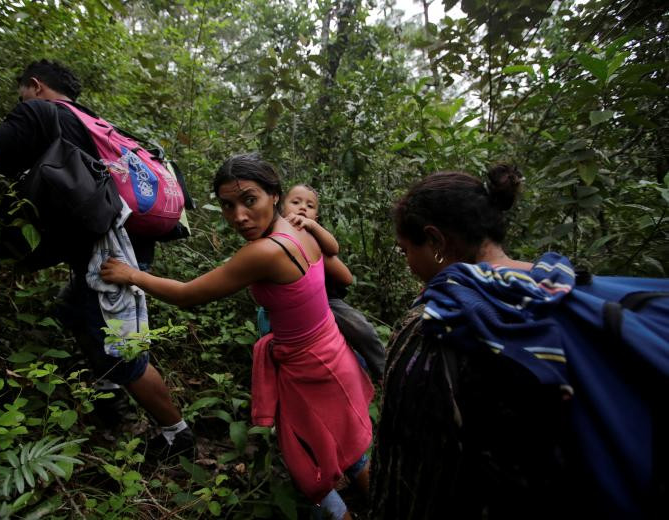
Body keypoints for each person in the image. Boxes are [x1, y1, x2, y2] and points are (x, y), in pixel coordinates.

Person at [100, 153, 374, 520]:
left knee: (309, 468)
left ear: (274, 195)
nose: (239, 217)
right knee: (349, 447)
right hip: (333, 353)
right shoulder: (301, 229)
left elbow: (187, 295)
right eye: (228, 205)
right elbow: (341, 273)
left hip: (308, 369)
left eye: (249, 200)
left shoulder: (264, 251)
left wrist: (131, 274)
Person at [0, 59, 192, 458]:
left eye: (22, 91)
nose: (20, 100)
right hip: (130, 247)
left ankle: (177, 434)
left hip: (109, 257)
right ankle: (108, 396)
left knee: (124, 352)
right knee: (73, 311)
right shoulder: (97, 124)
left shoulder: (41, 113)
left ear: (35, 86)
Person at [370, 166, 588, 519]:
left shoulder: (436, 324)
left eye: (406, 250)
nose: (408, 263)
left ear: (436, 241)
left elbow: (408, 472)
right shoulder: (564, 291)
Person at [259, 184, 385, 381]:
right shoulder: (274, 235)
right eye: (296, 202)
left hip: (327, 300)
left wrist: (312, 227)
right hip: (289, 307)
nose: (302, 208)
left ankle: (382, 372)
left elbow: (334, 249)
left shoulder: (313, 235)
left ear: (316, 216)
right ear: (282, 209)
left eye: (310, 206)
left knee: (361, 329)